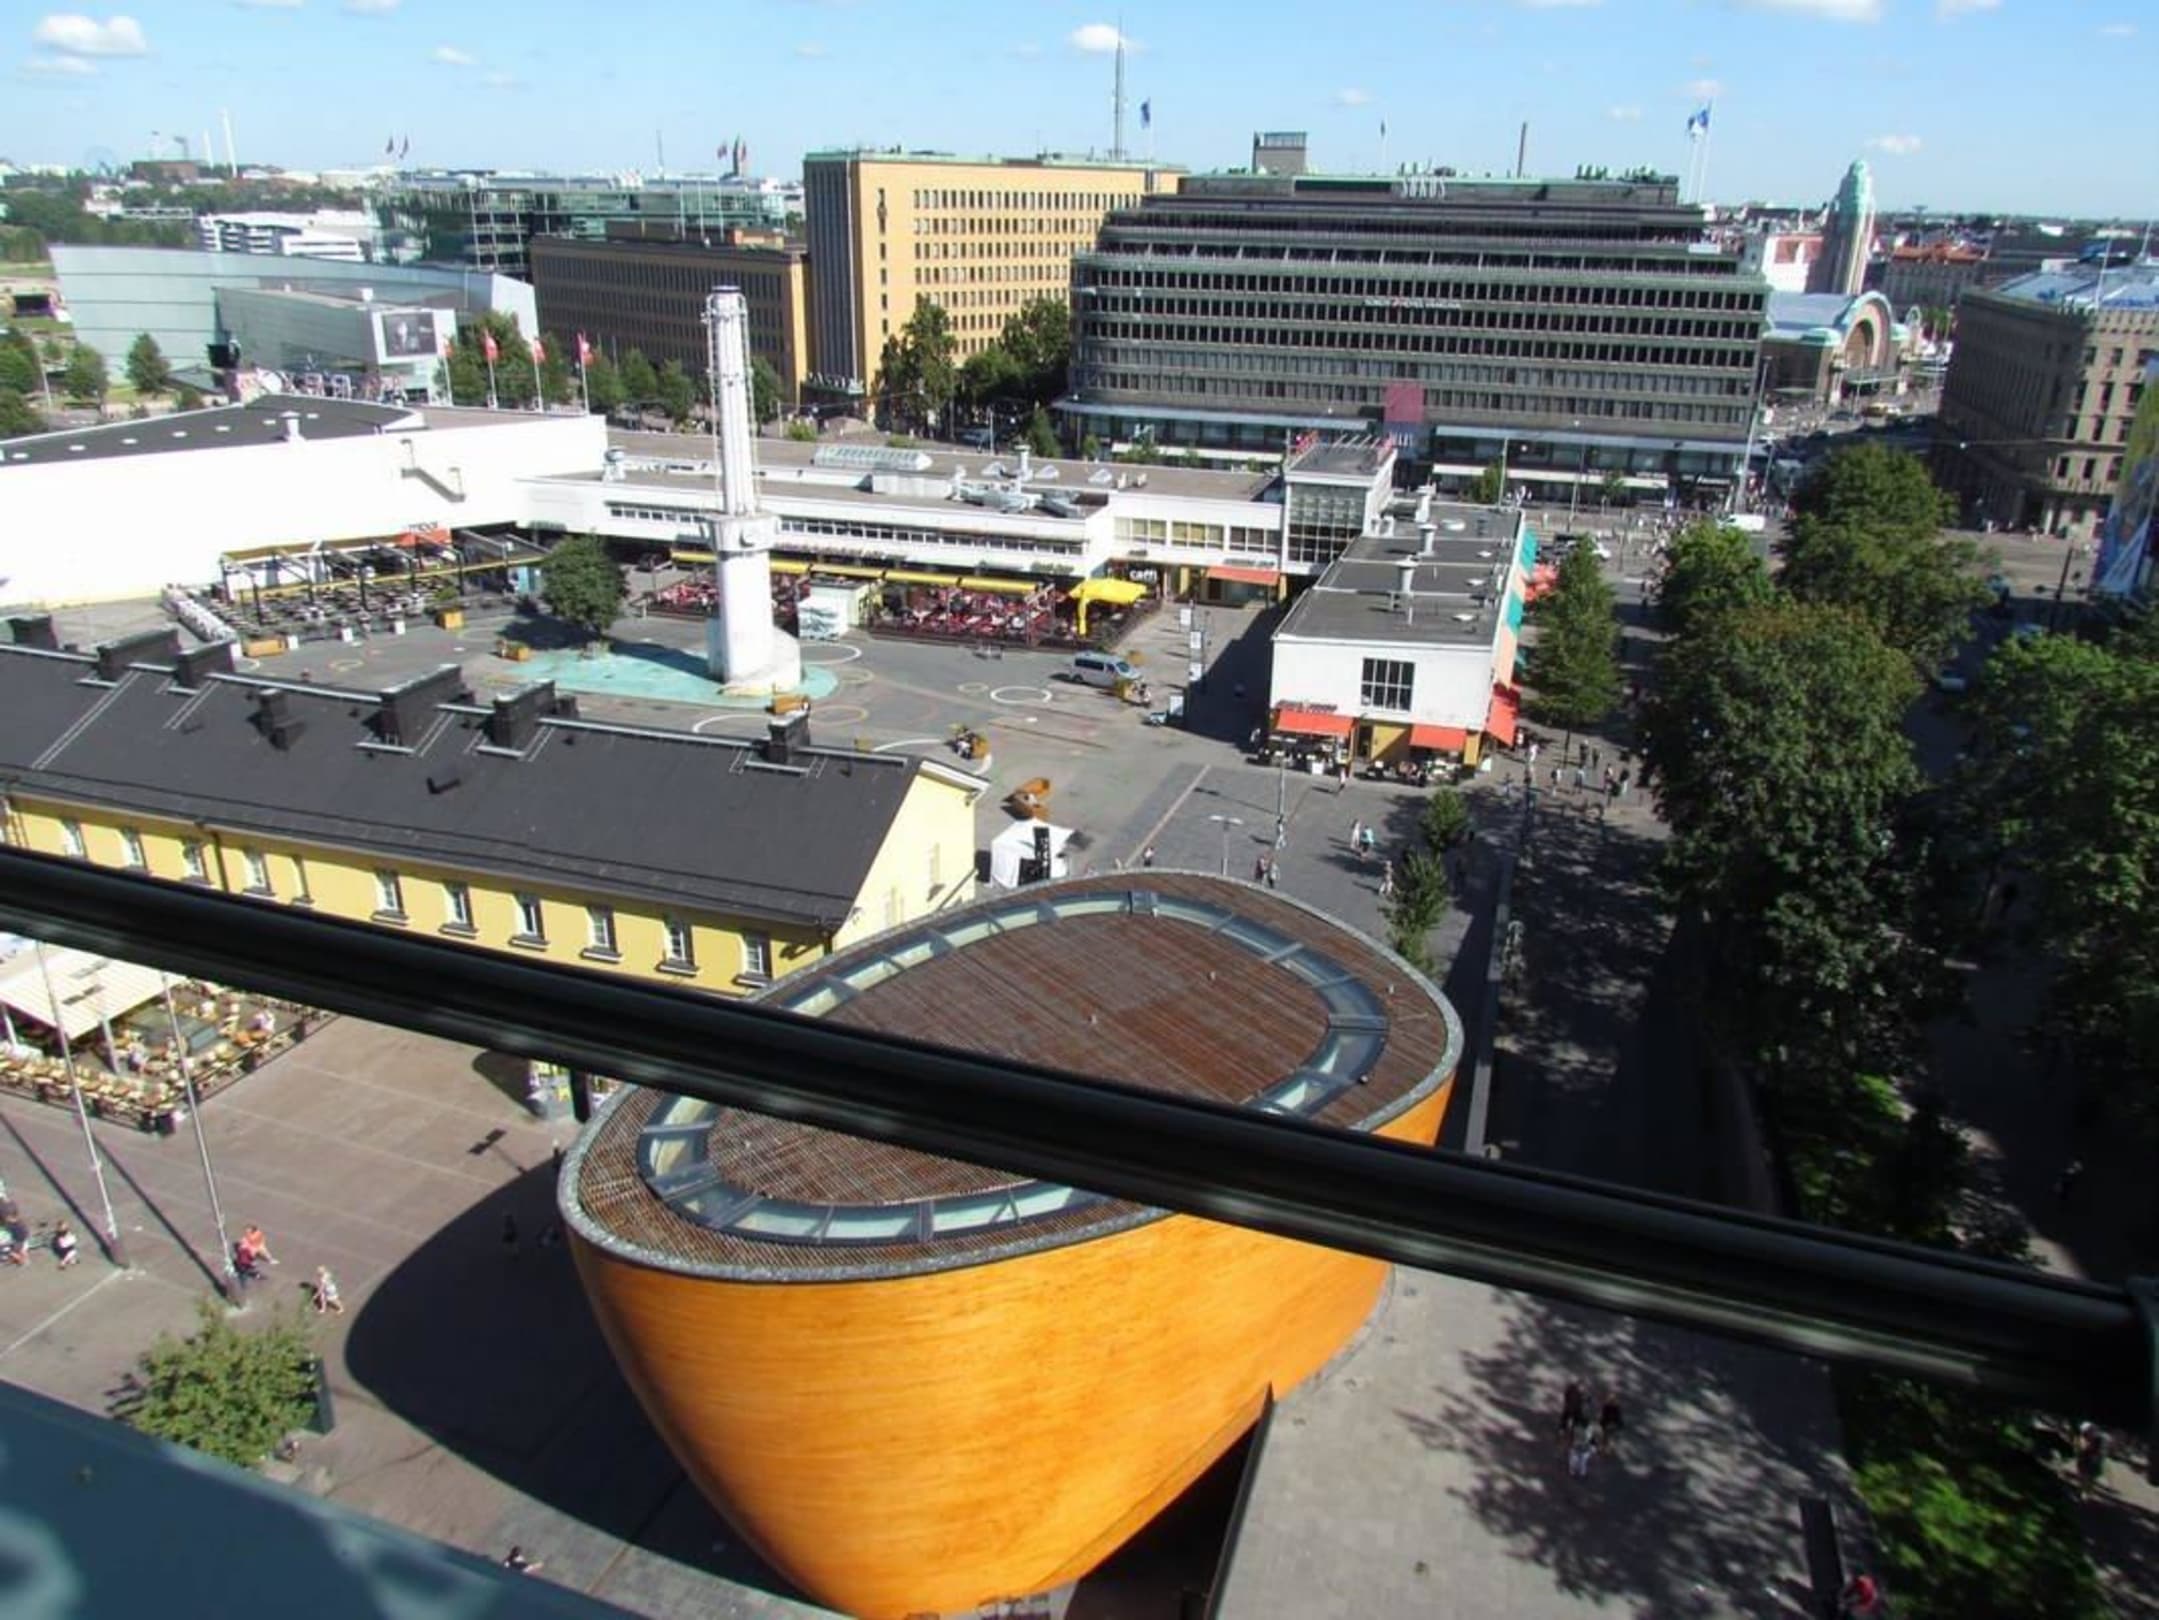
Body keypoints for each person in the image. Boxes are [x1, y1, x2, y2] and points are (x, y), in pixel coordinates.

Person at [1559, 1380, 1589, 1446]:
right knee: (1576, 1422)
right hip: (1575, 1410)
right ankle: (1571, 1435)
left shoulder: (1570, 1390)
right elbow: (1582, 1401)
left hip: (1569, 1409)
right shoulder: (1578, 1393)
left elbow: (1566, 1397)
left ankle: (1562, 1432)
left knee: (1564, 1420)